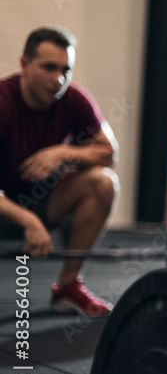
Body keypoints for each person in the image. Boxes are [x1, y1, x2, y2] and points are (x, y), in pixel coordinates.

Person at [0, 26, 119, 316]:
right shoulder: (3, 102)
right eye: (49, 68)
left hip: (42, 202)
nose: (59, 79)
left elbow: (109, 152)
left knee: (103, 183)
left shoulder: (74, 100)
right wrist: (26, 219)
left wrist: (65, 153)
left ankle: (68, 287)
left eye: (66, 70)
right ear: (24, 65)